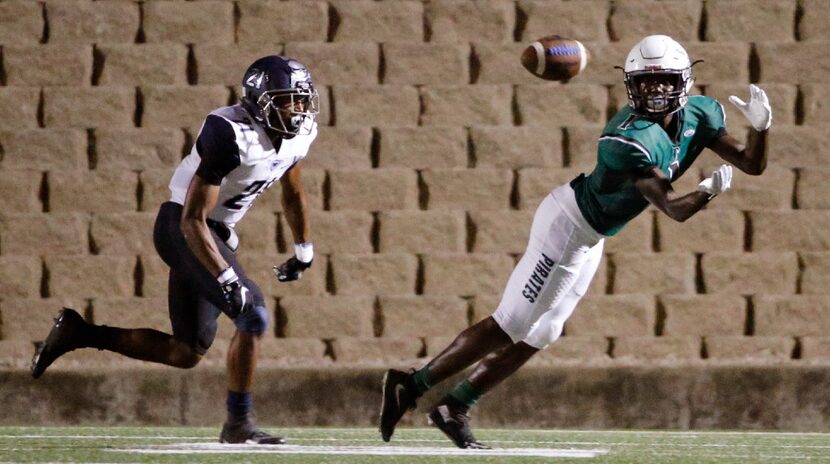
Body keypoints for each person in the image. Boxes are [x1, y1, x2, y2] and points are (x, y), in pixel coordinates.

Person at [379, 34, 773, 449]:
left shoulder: (701, 114)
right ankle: (411, 383)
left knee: (543, 331)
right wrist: (706, 192)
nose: (654, 90)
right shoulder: (627, 138)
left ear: (684, 81)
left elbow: (752, 163)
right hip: (568, 226)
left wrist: (763, 127)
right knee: (510, 324)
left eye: (663, 80)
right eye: (644, 81)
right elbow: (673, 209)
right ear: (630, 86)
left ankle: (454, 406)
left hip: (593, 234)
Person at [31, 55, 320, 444]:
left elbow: (293, 190)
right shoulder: (228, 131)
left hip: (215, 231)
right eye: (288, 100)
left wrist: (304, 249)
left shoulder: (299, 134)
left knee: (185, 352)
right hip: (182, 226)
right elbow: (191, 219)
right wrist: (226, 276)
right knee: (252, 314)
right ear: (260, 99)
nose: (298, 110)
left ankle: (79, 333)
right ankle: (238, 424)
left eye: (302, 100)